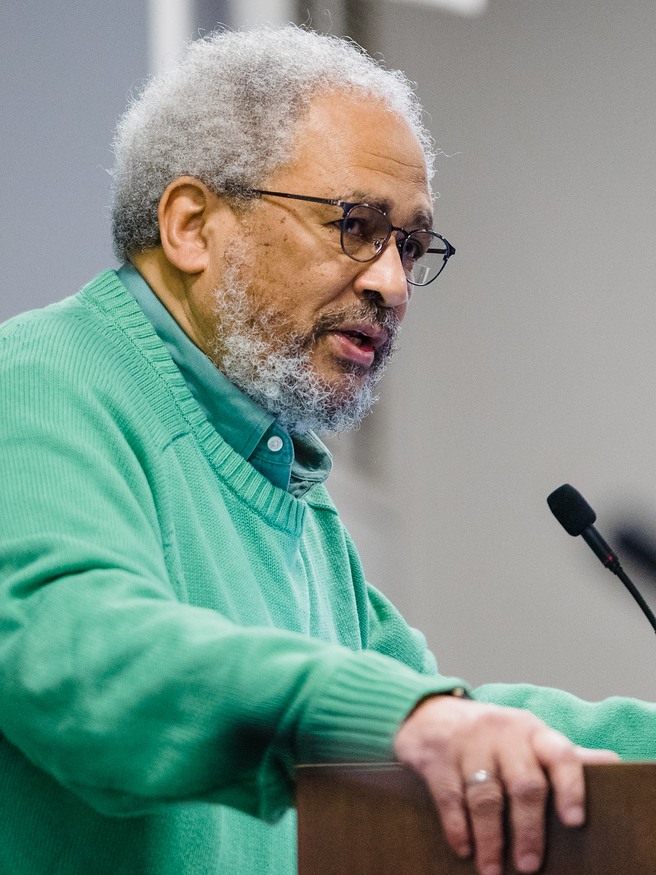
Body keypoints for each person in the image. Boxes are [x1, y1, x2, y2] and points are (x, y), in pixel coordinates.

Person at [0, 24, 654, 875]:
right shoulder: (41, 381)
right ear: (192, 225)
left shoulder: (282, 477)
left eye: (410, 246)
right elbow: (82, 657)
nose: (391, 283)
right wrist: (406, 718)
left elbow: (440, 711)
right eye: (356, 226)